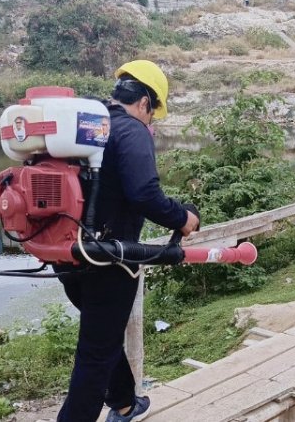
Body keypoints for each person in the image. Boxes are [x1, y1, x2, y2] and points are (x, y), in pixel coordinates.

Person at [57, 59, 200, 422]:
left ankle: (123, 403)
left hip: (69, 255)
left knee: (102, 336)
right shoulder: (131, 129)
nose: (151, 120)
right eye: (154, 113)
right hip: (108, 260)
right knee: (94, 353)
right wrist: (183, 218)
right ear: (146, 104)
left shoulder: (89, 126)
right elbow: (144, 194)